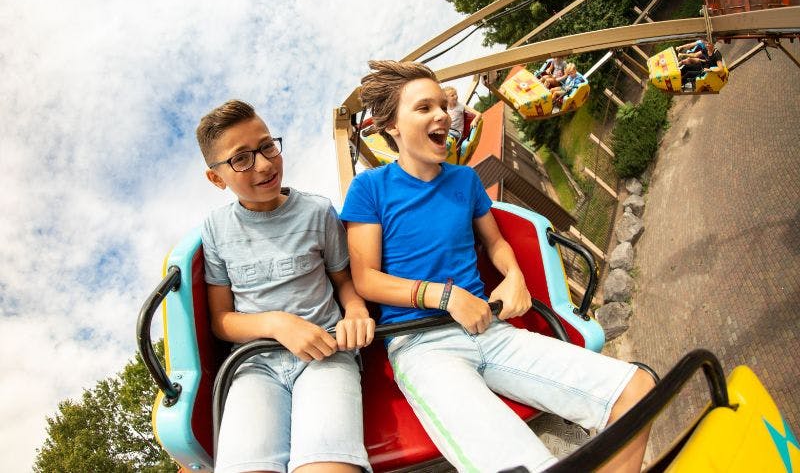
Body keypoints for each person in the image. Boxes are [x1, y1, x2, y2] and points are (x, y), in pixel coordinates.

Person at [340, 60, 655, 473]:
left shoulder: (464, 180)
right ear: (392, 126)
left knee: (637, 389)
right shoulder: (369, 188)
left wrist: (514, 277)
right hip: (422, 344)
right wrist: (446, 297)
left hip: (490, 328)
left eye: (442, 105)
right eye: (423, 108)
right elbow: (365, 278)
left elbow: (496, 242)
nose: (441, 115)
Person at [196, 100, 375, 473]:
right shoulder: (215, 229)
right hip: (255, 363)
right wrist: (277, 323)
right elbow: (221, 320)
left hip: (326, 352)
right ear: (216, 178)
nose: (263, 164)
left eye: (267, 146)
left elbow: (344, 282)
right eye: (241, 159)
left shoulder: (317, 212)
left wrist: (356, 310)